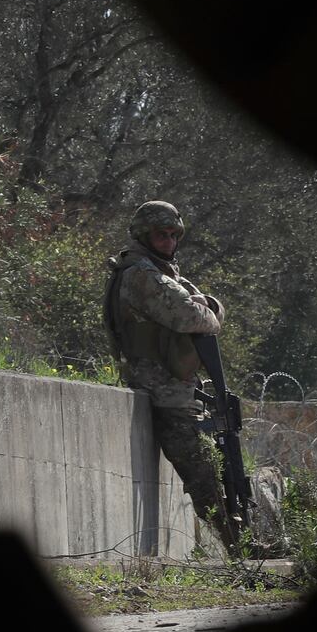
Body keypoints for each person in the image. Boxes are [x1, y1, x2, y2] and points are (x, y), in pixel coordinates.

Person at [103, 200, 235, 547]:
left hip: (174, 387)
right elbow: (193, 316)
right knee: (203, 472)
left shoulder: (160, 271)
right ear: (144, 234)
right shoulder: (142, 275)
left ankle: (241, 539)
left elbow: (204, 306)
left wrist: (208, 307)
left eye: (173, 234)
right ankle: (238, 544)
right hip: (162, 391)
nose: (168, 240)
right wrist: (209, 310)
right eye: (161, 234)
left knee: (217, 464)